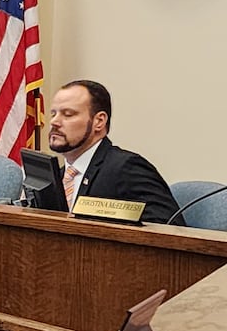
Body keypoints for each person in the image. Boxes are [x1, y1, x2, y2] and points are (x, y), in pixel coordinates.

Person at [43, 79, 180, 224]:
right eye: (53, 114)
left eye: (68, 114)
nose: (54, 122)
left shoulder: (126, 168)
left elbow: (171, 228)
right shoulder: (59, 175)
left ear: (99, 121)